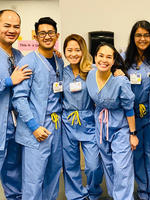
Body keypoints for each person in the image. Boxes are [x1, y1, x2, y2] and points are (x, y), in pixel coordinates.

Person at [12, 17, 64, 200]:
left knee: (53, 175)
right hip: (36, 127)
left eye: (50, 33)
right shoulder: (29, 62)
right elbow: (19, 99)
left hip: (56, 126)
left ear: (57, 35)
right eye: (42, 33)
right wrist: (34, 127)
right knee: (33, 180)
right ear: (35, 36)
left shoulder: (59, 61)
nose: (47, 36)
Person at [86, 42, 139, 200]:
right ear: (95, 57)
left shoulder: (120, 80)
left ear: (114, 60)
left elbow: (129, 108)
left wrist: (133, 133)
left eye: (109, 57)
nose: (104, 60)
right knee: (108, 166)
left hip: (120, 128)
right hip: (101, 127)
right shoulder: (90, 74)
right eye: (100, 55)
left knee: (122, 168)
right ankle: (115, 196)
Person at [122, 20, 150, 200]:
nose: (142, 39)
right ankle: (142, 191)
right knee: (137, 154)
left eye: (146, 35)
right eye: (138, 35)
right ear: (133, 37)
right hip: (130, 115)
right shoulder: (124, 59)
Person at [62, 34, 103, 200]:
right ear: (64, 52)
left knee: (93, 165)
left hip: (88, 120)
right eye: (69, 50)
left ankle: (93, 191)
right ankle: (76, 195)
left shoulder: (91, 72)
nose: (73, 54)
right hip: (67, 121)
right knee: (70, 164)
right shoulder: (61, 72)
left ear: (83, 51)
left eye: (77, 50)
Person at [0, 9, 32, 200]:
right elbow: (13, 81)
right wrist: (9, 81)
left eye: (16, 26)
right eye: (7, 25)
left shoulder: (19, 55)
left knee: (13, 171)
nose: (12, 30)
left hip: (14, 125)